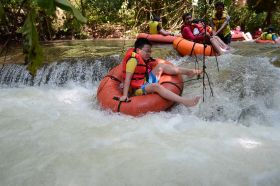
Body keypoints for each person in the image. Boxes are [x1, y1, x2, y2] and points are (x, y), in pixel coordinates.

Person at [120, 38, 202, 107]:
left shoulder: (141, 59)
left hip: (143, 81)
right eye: (147, 51)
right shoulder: (132, 61)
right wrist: (124, 95)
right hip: (137, 89)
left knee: (161, 66)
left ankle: (189, 72)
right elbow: (128, 79)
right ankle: (185, 102)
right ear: (138, 50)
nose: (149, 53)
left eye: (150, 51)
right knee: (156, 86)